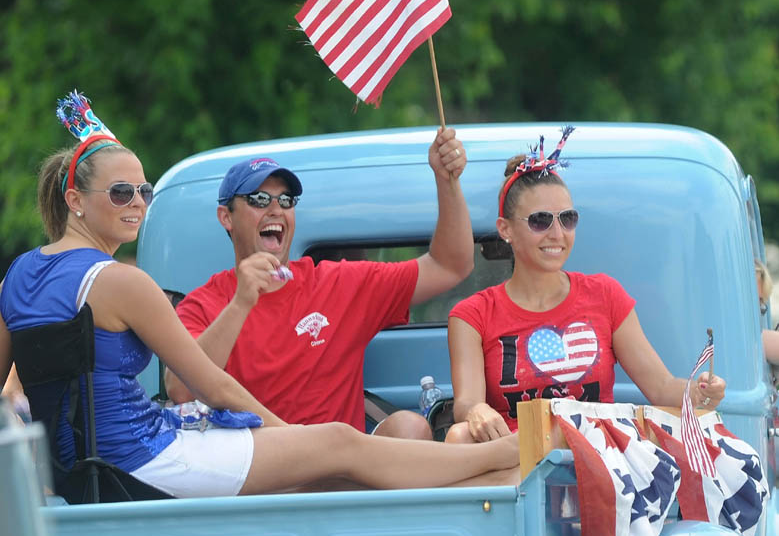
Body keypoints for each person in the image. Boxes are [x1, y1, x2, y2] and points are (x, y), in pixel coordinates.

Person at [0, 91, 519, 498]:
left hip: (87, 471)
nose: (137, 203)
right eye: (120, 192)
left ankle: (500, 470)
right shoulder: (124, 281)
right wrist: (294, 438)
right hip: (144, 457)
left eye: (144, 191)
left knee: (375, 438)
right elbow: (205, 388)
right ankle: (514, 455)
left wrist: (40, 471)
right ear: (75, 200)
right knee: (337, 441)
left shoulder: (17, 278)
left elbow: (12, 394)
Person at [164, 127, 474, 440]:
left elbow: (450, 266)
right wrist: (242, 302)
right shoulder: (204, 304)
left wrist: (446, 180)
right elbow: (180, 390)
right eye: (259, 199)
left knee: (410, 427)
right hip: (258, 474)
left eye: (286, 200)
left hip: (339, 476)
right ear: (226, 217)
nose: (276, 209)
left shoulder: (335, 282)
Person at [445, 128, 726, 444]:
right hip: (515, 458)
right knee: (460, 436)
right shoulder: (472, 314)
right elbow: (466, 403)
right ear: (505, 229)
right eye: (540, 220)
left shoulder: (605, 295)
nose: (557, 233)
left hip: (599, 456)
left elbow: (660, 386)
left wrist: (699, 392)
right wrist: (476, 411)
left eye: (567, 218)